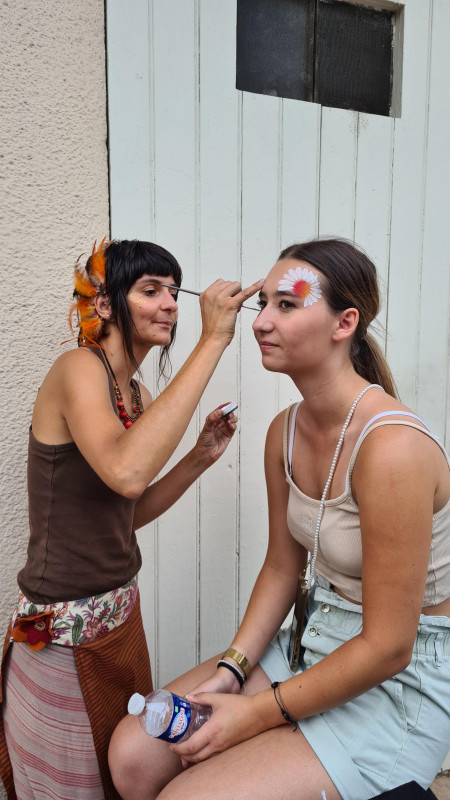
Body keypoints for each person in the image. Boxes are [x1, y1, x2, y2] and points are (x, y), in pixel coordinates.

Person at [108, 238, 450, 800]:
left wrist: (254, 715)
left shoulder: (391, 449)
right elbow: (280, 569)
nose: (261, 321)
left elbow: (391, 645)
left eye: (286, 305)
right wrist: (233, 672)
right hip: (314, 639)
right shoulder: (284, 433)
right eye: (261, 303)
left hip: (397, 681)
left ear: (345, 323)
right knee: (134, 757)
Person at [0, 238, 264, 800]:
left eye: (173, 290)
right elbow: (125, 472)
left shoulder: (136, 394)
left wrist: (198, 457)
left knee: (122, 770)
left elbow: (128, 509)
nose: (171, 303)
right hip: (53, 635)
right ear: (103, 306)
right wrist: (216, 338)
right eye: (151, 290)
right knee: (70, 788)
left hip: (120, 621)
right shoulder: (77, 369)